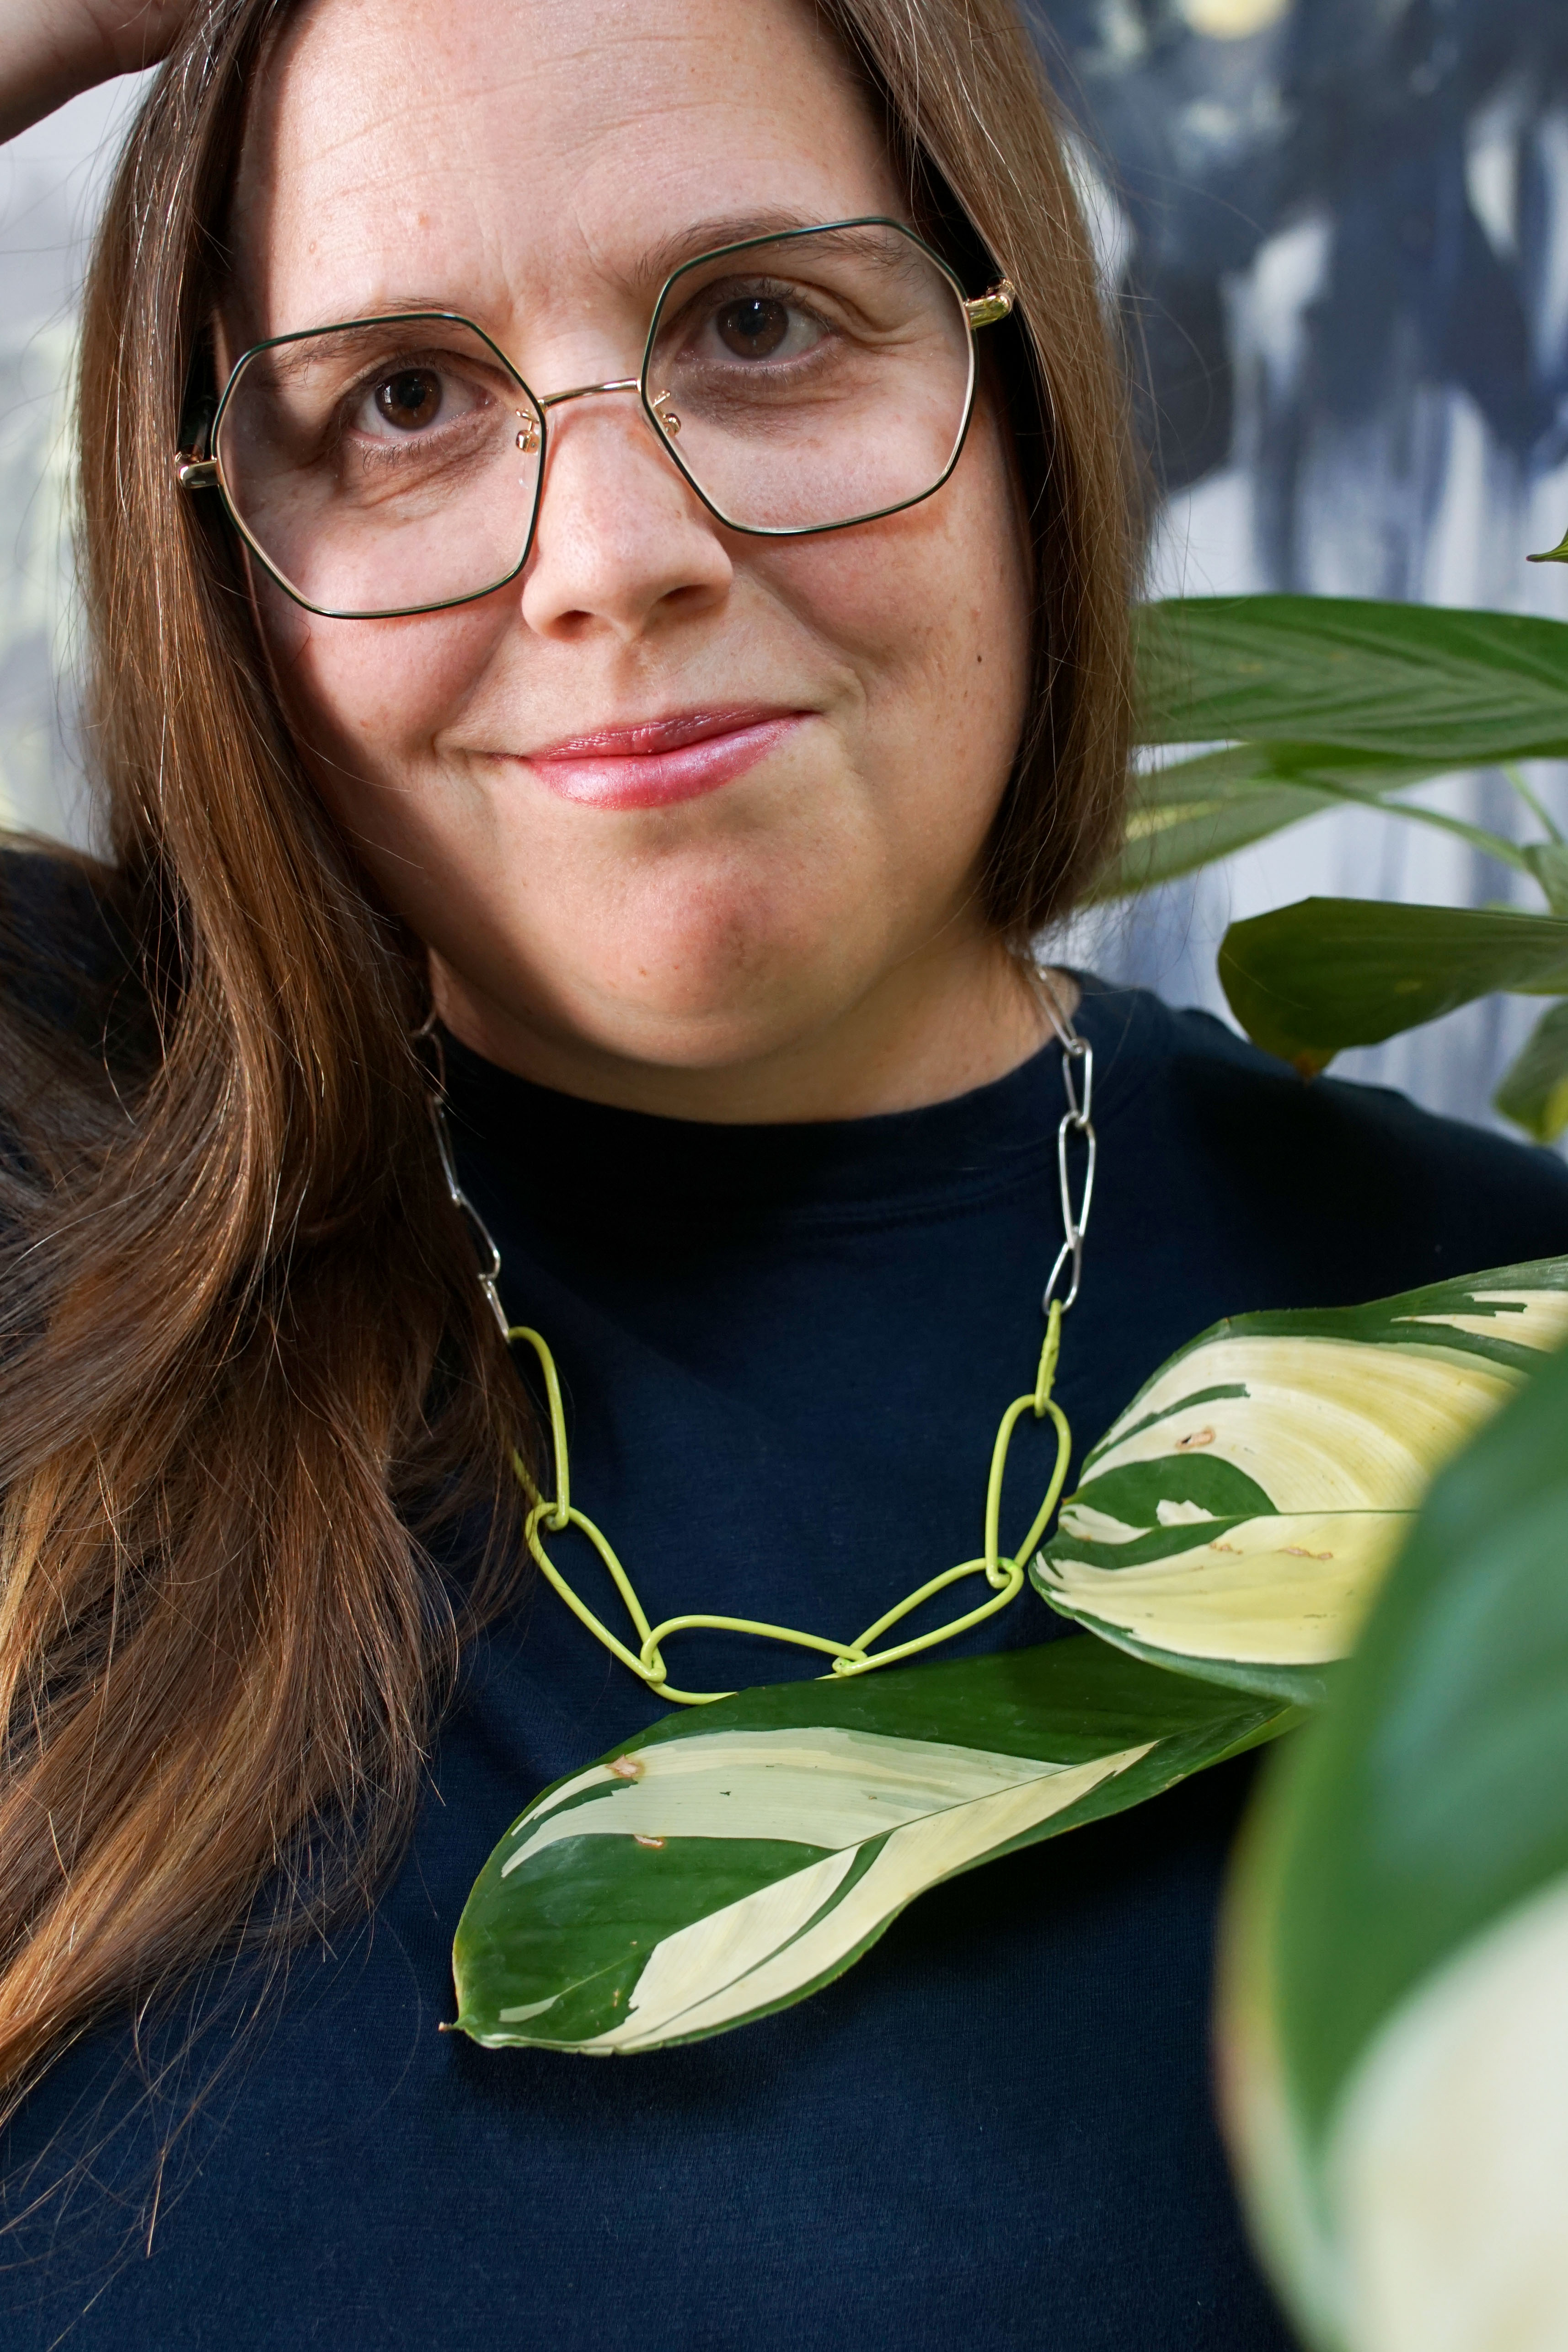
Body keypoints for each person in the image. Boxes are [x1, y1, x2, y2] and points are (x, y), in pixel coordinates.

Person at [0, 0, 1563, 2342]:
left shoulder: (1505, 1360)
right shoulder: (56, 1142)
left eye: (757, 322)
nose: (611, 558)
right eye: (400, 399)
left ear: (1018, 385)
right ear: (225, 540)